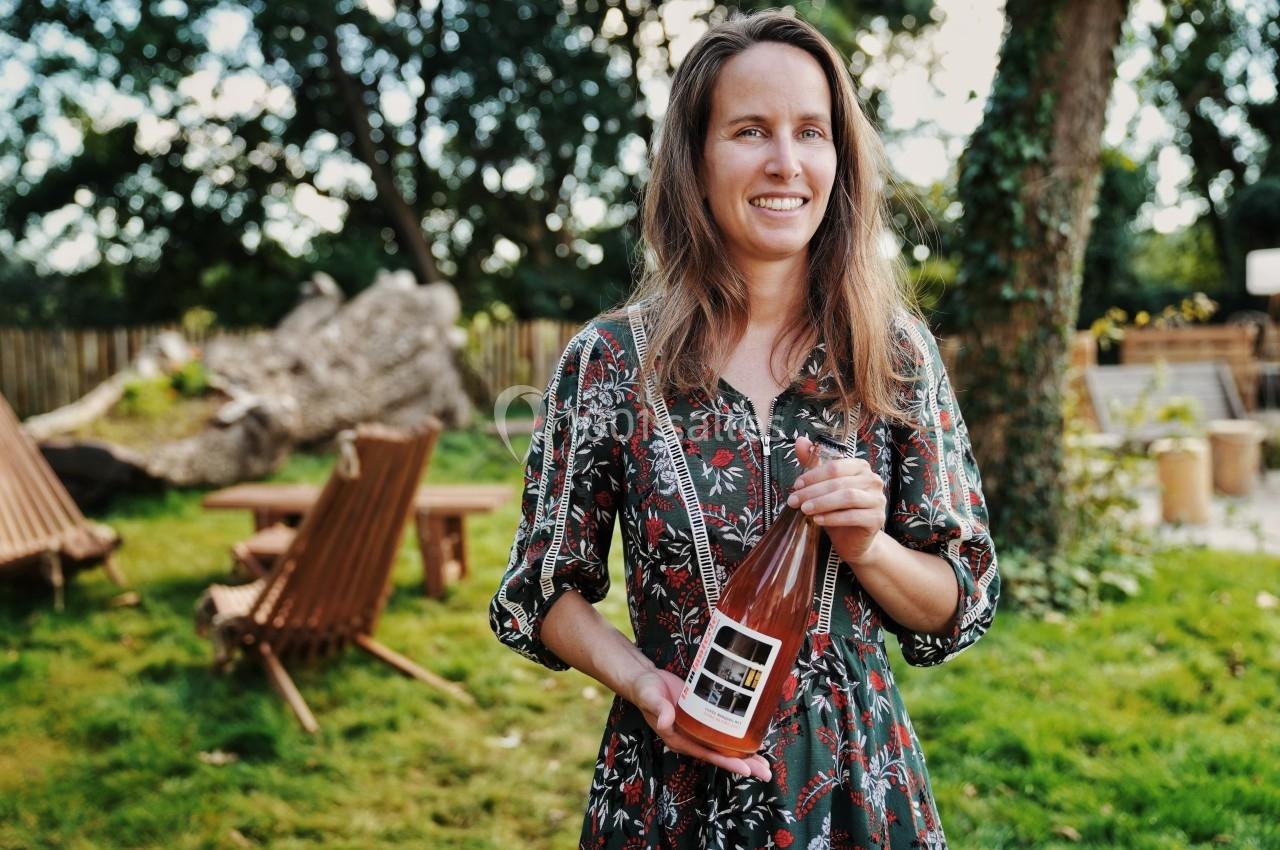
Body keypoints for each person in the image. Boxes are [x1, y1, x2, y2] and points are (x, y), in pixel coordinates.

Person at [489, 9, 999, 849]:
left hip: (856, 789)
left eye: (811, 132)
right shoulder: (612, 361)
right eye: (750, 131)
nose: (785, 164)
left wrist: (869, 545)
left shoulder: (894, 355)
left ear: (841, 157)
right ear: (694, 156)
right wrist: (645, 685)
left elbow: (958, 602)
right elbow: (542, 590)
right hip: (666, 788)